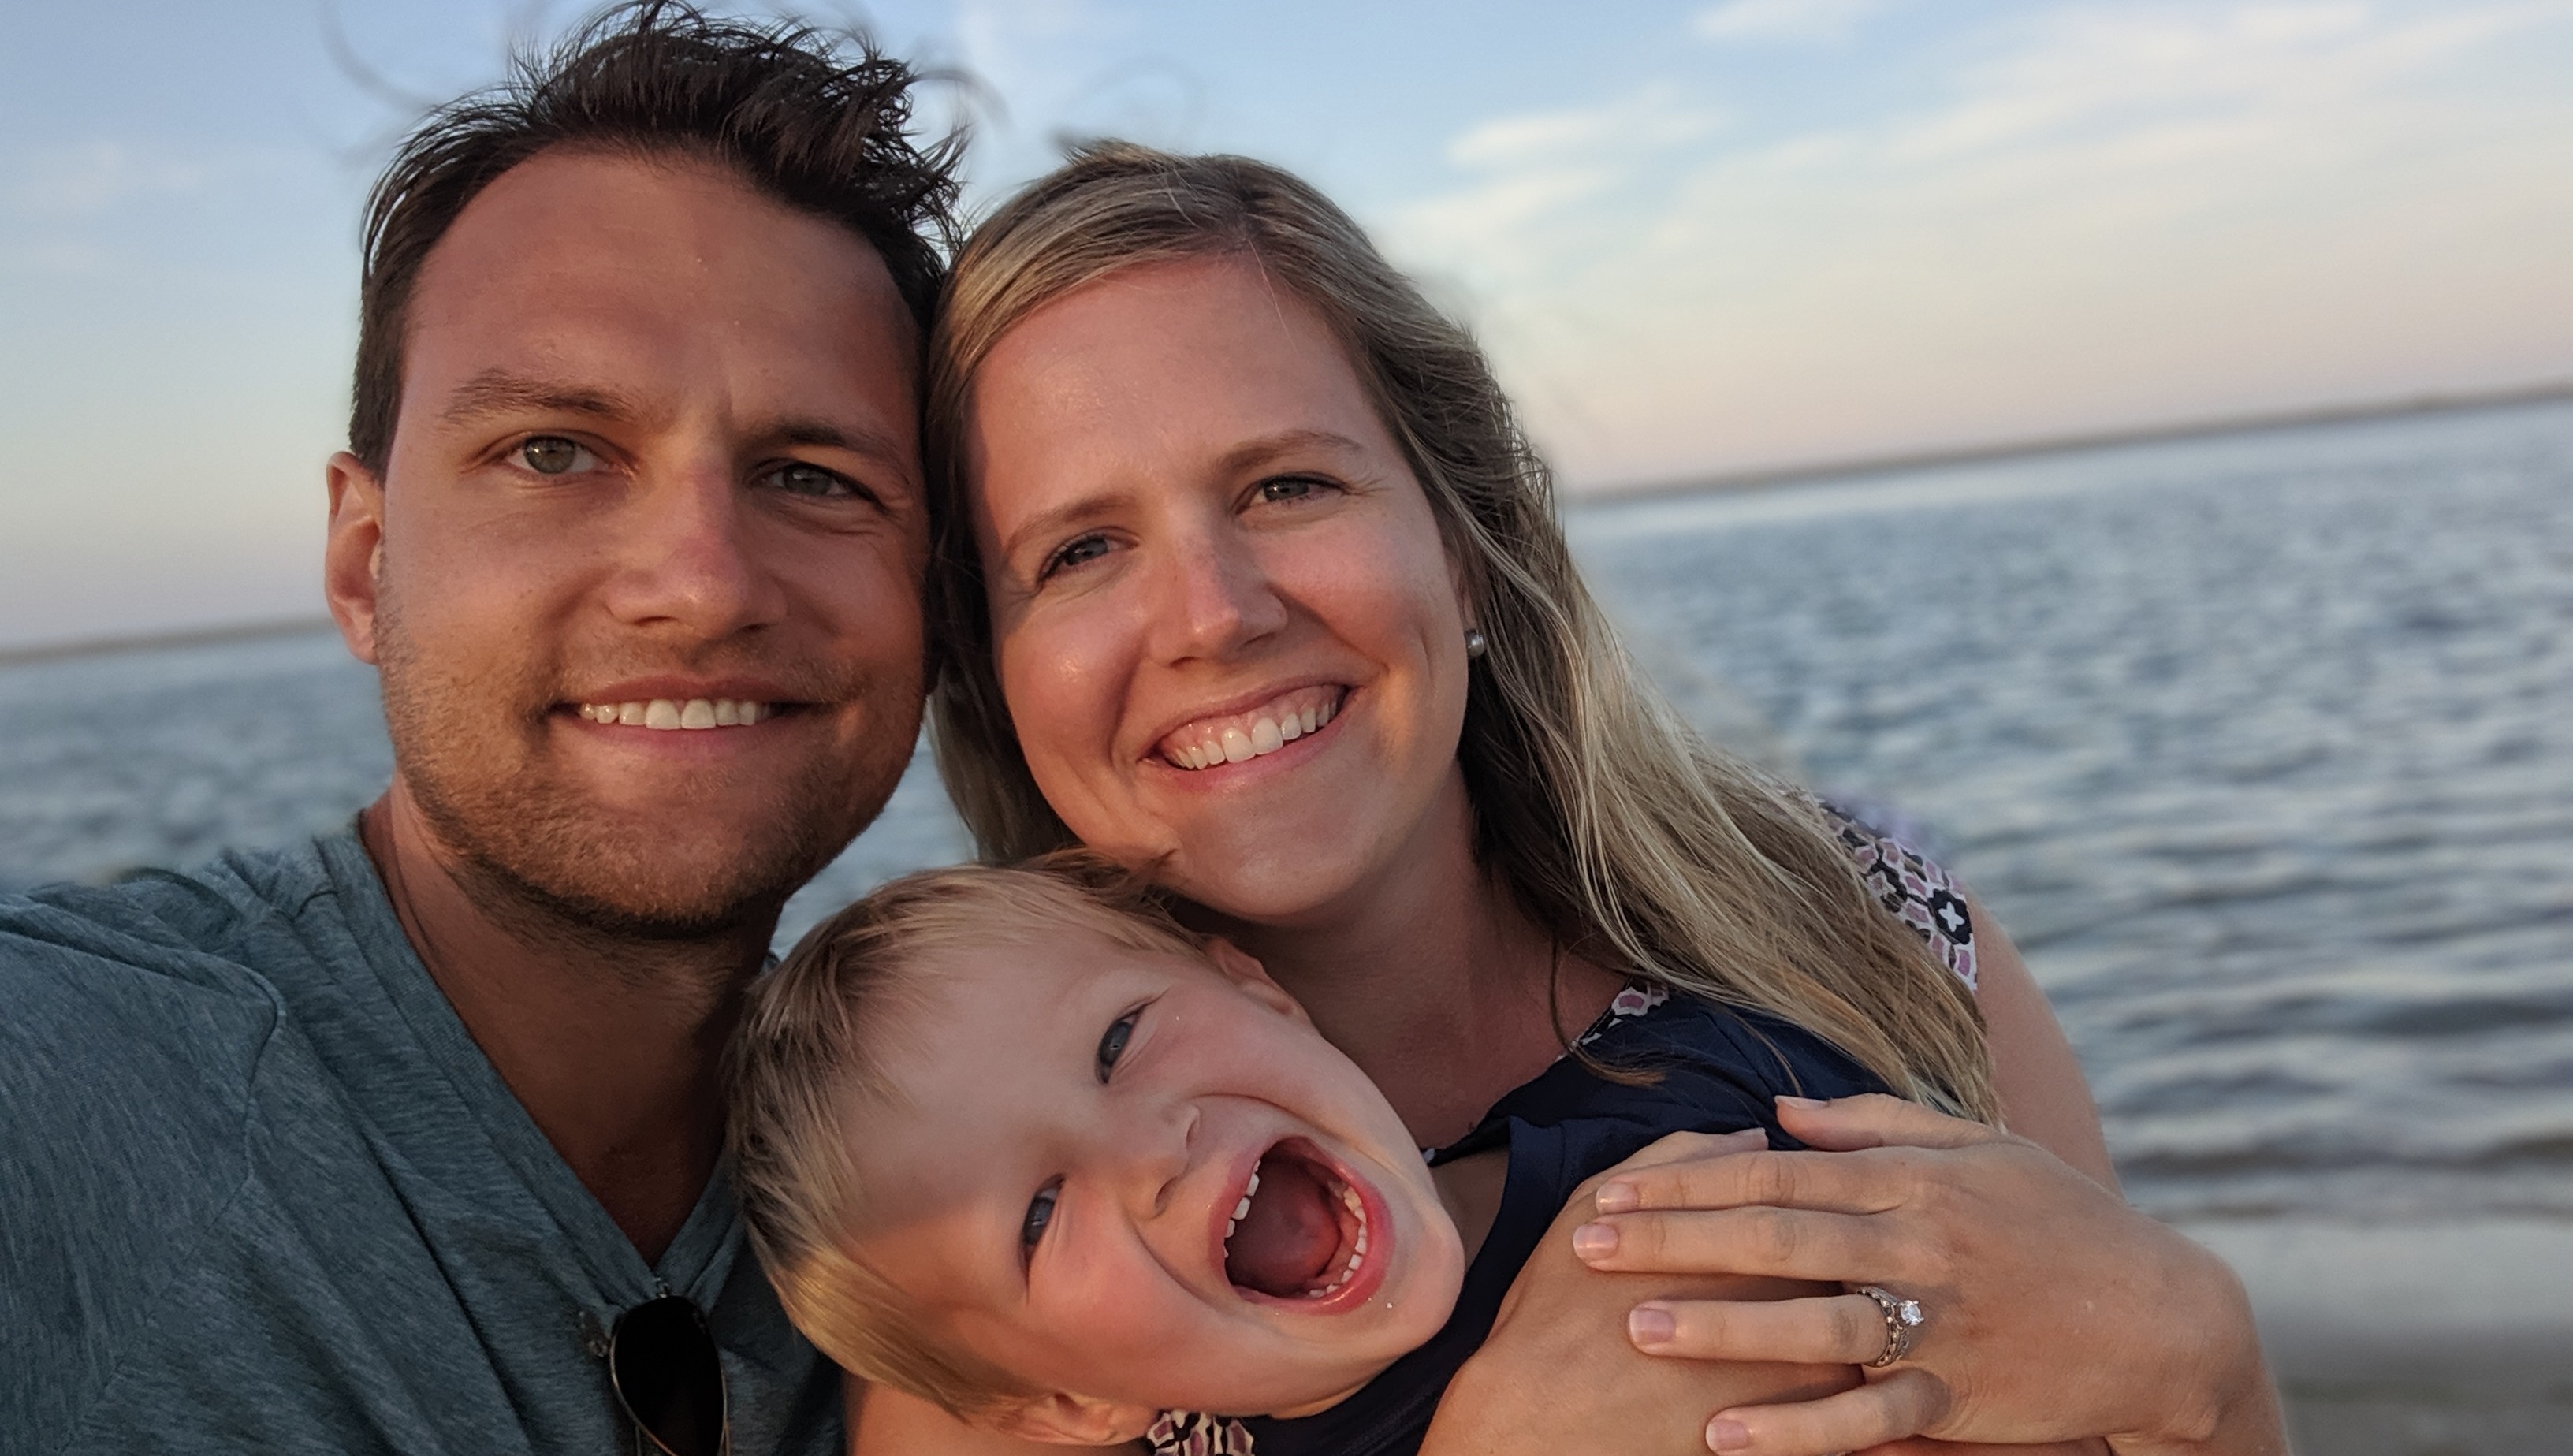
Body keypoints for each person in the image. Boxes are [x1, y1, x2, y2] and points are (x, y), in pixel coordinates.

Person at [851, 141, 2288, 1455]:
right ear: (993, 677)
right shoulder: (999, 1280)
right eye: (1082, 550)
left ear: (1462, 542)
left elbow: (2179, 1402)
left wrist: (2202, 1353)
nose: (1213, 616)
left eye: (1287, 486)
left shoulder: (1859, 934)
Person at [0, 8, 956, 1450]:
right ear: (361, 563)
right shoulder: (70, 1093)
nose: (699, 582)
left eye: (812, 474)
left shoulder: (1013, 1155)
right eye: (553, 452)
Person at [730, 855, 1921, 1454]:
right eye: (1040, 1215)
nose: (1148, 1147)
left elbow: (2017, 1294)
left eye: (1119, 1039)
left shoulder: (1704, 1091)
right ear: (1066, 1402)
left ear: (1260, 993)